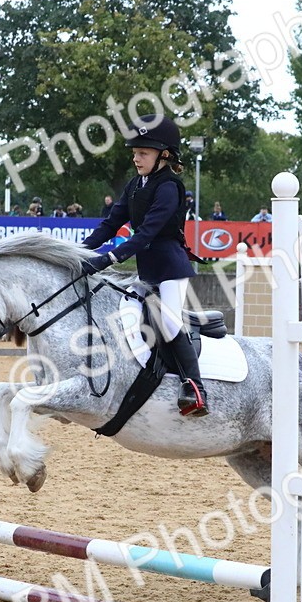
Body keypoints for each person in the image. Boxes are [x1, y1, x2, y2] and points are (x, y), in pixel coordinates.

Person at [80, 114, 209, 416]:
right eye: (135, 153)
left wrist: (108, 259)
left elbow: (147, 233)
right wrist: (79, 250)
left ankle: (196, 389)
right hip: (148, 268)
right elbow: (111, 223)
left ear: (163, 155)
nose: (136, 158)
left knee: (169, 322)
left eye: (143, 153)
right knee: (122, 308)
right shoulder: (136, 184)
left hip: (170, 268)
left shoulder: (170, 187)